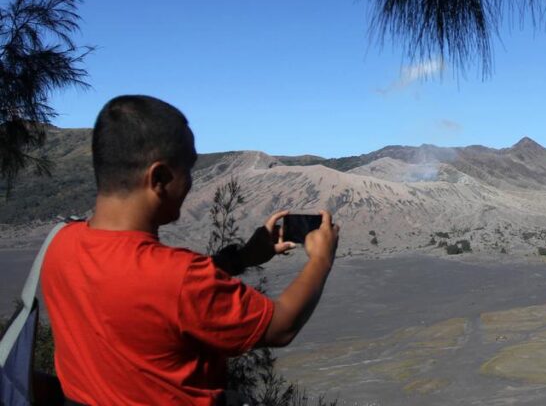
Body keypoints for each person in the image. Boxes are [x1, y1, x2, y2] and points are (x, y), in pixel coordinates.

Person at [40, 95, 339, 405]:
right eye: (189, 170)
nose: (191, 183)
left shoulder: (60, 243)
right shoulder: (179, 277)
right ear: (160, 178)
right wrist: (321, 259)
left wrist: (243, 257)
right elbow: (281, 326)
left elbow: (148, 292)